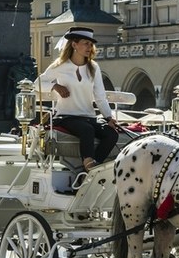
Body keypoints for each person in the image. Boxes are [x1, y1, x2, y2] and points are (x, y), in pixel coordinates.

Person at [37, 26, 118, 171]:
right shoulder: (60, 66)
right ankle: (89, 166)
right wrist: (55, 87)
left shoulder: (94, 67)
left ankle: (93, 168)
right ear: (74, 44)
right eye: (85, 43)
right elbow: (36, 83)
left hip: (89, 117)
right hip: (66, 117)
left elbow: (100, 96)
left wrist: (108, 117)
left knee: (111, 134)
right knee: (86, 130)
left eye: (91, 44)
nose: (89, 47)